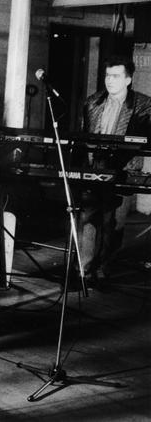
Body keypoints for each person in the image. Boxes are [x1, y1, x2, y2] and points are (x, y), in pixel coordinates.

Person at [77, 56, 151, 285]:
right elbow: (84, 136)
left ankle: (103, 269)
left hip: (123, 169)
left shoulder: (144, 105)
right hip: (95, 166)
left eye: (116, 76)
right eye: (108, 76)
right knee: (88, 218)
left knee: (114, 224)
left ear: (128, 79)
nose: (110, 80)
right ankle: (84, 270)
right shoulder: (92, 102)